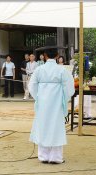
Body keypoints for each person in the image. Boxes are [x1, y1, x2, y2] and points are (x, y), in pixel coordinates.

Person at [29, 36, 74, 164]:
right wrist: (64, 99)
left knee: (43, 125)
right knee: (56, 127)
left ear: (44, 55)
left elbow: (31, 86)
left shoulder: (39, 70)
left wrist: (39, 97)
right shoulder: (62, 70)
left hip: (43, 103)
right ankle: (55, 157)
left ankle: (43, 156)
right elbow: (69, 88)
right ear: (57, 55)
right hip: (57, 103)